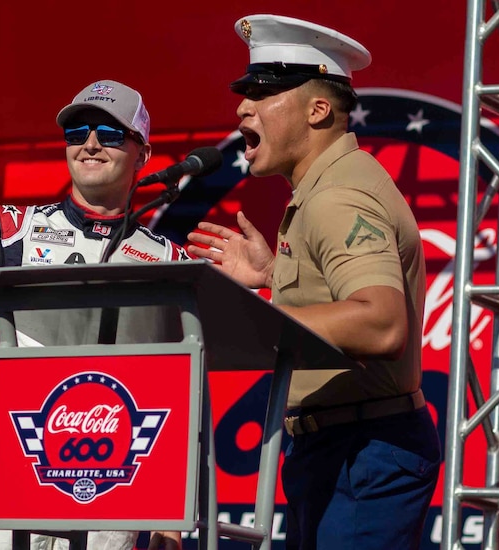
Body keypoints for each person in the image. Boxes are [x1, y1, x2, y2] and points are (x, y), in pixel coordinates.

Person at [0, 79, 183, 550]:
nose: (91, 144)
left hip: (111, 474)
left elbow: (176, 389)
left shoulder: (166, 259)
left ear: (143, 155)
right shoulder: (12, 231)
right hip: (9, 462)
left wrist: (169, 515)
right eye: (77, 132)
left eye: (111, 133)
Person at [187, 15, 441, 550]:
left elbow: (380, 321)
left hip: (362, 452)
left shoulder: (335, 197)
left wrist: (261, 320)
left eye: (262, 92)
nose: (241, 108)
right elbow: (346, 296)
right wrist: (272, 277)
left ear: (319, 109)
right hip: (347, 449)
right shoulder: (327, 188)